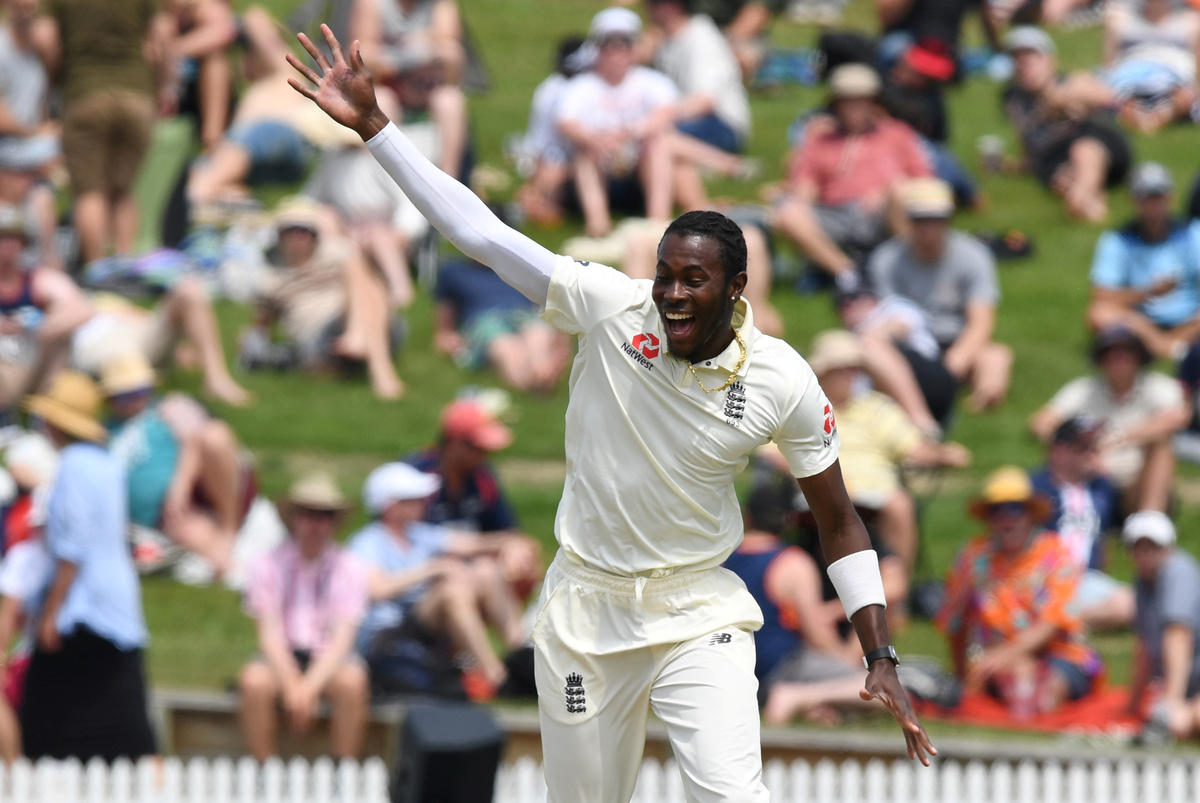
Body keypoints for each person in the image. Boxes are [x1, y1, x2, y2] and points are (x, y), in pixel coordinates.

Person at [287, 26, 933, 801]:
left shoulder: (781, 377)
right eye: (665, 275)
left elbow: (839, 518)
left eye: (694, 280)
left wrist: (879, 652)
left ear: (735, 289)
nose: (672, 294)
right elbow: (480, 233)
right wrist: (376, 128)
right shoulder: (610, 308)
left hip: (697, 609)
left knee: (733, 794)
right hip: (584, 615)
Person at [19, 371, 156, 761]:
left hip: (83, 608)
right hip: (115, 602)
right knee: (126, 720)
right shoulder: (105, 462)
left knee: (43, 715)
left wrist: (51, 611)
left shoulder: (74, 464)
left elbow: (73, 546)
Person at [936, 467, 1104, 719]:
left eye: (1015, 508)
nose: (1007, 518)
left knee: (1045, 696)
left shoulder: (1055, 553)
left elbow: (1053, 622)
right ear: (988, 518)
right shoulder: (973, 557)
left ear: (1030, 514)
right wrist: (961, 675)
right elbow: (954, 621)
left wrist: (1005, 656)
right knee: (1015, 686)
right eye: (997, 510)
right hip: (997, 655)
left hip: (1059, 652)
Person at [349, 462, 525, 695]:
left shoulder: (418, 534)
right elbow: (378, 589)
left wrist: (512, 543)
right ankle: (497, 676)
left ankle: (524, 655)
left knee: (486, 570)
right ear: (391, 507)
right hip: (386, 636)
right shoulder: (367, 542)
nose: (424, 503)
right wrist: (433, 569)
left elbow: (476, 544)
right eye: (413, 499)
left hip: (418, 624)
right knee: (451, 591)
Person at [808, 329, 970, 574]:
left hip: (877, 492)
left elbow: (913, 448)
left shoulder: (876, 407)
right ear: (823, 372)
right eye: (842, 369)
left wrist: (942, 454)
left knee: (900, 505)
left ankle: (897, 585)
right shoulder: (807, 410)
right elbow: (773, 452)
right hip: (819, 488)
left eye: (855, 368)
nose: (850, 375)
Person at [238, 471, 369, 762]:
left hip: (329, 658)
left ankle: (343, 768)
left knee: (353, 683)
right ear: (293, 518)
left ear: (334, 522)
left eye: (324, 516)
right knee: (254, 682)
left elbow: (342, 639)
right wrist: (292, 683)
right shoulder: (266, 563)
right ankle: (264, 767)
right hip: (281, 655)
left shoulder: (350, 567)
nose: (315, 524)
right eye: (308, 514)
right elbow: (268, 635)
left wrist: (307, 688)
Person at [724, 483, 874, 726]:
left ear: (747, 516)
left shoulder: (722, 560)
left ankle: (813, 707)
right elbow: (817, 634)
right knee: (883, 688)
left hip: (733, 672)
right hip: (780, 669)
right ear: (790, 520)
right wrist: (847, 663)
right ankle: (798, 697)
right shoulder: (792, 563)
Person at [773, 64, 931, 289]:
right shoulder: (820, 139)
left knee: (903, 192)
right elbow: (804, 190)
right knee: (788, 212)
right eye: (847, 100)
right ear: (836, 104)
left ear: (874, 102)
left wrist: (886, 192)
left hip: (882, 213)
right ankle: (849, 275)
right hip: (835, 213)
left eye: (861, 100)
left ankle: (912, 269)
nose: (854, 107)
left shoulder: (896, 133)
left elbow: (926, 182)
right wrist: (800, 194)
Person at [867, 178, 1013, 411]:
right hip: (910, 343)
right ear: (908, 219)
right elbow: (888, 315)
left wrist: (956, 361)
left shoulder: (973, 255)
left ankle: (982, 400)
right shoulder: (886, 260)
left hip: (958, 340)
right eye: (920, 219)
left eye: (935, 219)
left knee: (996, 357)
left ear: (948, 219)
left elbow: (982, 321)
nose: (927, 226)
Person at [102, 353, 253, 577]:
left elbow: (198, 440)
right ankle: (222, 554)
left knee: (215, 436)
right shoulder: (105, 430)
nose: (134, 400)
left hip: (185, 495)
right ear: (110, 399)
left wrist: (180, 485)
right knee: (200, 541)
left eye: (140, 392)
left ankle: (229, 528)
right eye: (124, 396)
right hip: (155, 519)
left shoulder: (168, 409)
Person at [40, 0, 166, 265]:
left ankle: (96, 270)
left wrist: (53, 79)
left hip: (84, 92)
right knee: (123, 189)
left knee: (90, 191)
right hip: (137, 94)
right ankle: (125, 267)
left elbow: (45, 38)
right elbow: (164, 35)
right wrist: (164, 84)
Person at [241, 198, 403, 400]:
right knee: (365, 280)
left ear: (316, 234)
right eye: (292, 230)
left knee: (364, 277)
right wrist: (252, 339)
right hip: (318, 337)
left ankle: (360, 339)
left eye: (306, 230)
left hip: (365, 322)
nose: (300, 236)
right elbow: (261, 325)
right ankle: (378, 368)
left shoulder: (335, 252)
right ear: (280, 235)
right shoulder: (271, 277)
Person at [1029, 326, 1189, 513]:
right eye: (1110, 352)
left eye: (1126, 351)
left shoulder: (1158, 386)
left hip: (1137, 479)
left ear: (1139, 356)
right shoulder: (1084, 389)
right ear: (1101, 359)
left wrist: (1113, 440)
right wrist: (1079, 451)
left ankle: (1149, 517)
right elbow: (1041, 423)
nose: (1118, 357)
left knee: (1161, 445)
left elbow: (1176, 418)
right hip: (1090, 478)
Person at [555, 8, 681, 237]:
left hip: (638, 166)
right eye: (609, 45)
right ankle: (598, 223)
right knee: (584, 152)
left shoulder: (652, 81)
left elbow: (667, 113)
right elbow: (566, 122)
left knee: (660, 144)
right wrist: (596, 140)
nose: (617, 53)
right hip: (599, 163)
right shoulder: (581, 85)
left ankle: (658, 222)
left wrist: (629, 133)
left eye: (624, 44)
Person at [404, 398, 542, 598]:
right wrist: (496, 544)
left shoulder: (482, 477)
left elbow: (508, 530)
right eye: (479, 448)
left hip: (475, 567)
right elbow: (406, 539)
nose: (485, 455)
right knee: (472, 578)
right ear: (455, 443)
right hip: (426, 576)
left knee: (523, 562)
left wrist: (516, 551)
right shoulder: (415, 477)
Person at [1001, 26, 1132, 223]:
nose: (1024, 64)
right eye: (1018, 59)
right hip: (1055, 160)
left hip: (1100, 145)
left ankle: (1079, 200)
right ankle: (1091, 204)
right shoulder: (1014, 99)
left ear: (1050, 60)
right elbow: (1029, 144)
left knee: (1083, 150)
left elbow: (1110, 99)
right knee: (1060, 177)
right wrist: (1016, 166)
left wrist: (1061, 98)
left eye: (1031, 58)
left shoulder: (1070, 83)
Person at [69, 274, 252, 407]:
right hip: (98, 347)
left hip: (137, 334)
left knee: (189, 288)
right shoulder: (61, 299)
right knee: (123, 367)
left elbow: (138, 314)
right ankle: (137, 406)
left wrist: (175, 347)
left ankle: (216, 377)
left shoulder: (98, 296)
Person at [1087, 163, 1200, 361]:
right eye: (1147, 197)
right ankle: (1171, 348)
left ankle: (1165, 347)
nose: (1154, 204)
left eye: (1159, 196)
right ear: (1134, 200)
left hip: (1190, 317)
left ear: (1171, 197)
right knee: (1099, 313)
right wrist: (1149, 292)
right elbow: (1102, 296)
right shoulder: (1118, 240)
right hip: (1142, 323)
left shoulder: (1192, 233)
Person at [1029, 416, 1133, 630]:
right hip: (1043, 577)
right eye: (1084, 448)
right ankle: (1055, 619)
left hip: (1085, 579)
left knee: (1129, 604)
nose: (1093, 454)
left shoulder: (1103, 488)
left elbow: (1105, 539)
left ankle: (1054, 622)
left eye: (1095, 448)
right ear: (1060, 450)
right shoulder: (1034, 487)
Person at [0, 206, 93, 410]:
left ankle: (45, 407)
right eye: (3, 239)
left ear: (24, 244)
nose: (8, 246)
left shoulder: (37, 280)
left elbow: (83, 309)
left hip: (30, 358)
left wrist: (44, 329)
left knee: (62, 335)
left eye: (14, 239)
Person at [434, 258, 572, 394]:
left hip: (523, 313)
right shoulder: (453, 271)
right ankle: (540, 381)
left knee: (537, 336)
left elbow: (539, 303)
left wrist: (559, 335)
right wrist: (448, 340)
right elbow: (444, 328)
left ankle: (538, 378)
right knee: (505, 348)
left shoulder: (518, 267)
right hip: (484, 320)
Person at [835, 286, 956, 434]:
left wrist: (868, 338)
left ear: (872, 299)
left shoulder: (893, 308)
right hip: (885, 397)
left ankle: (923, 424)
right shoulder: (852, 338)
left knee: (872, 344)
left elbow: (898, 327)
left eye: (854, 299)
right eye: (841, 304)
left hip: (930, 377)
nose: (848, 308)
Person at [1124, 510, 1200, 741]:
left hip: (1189, 687)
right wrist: (1132, 704)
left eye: (1152, 547)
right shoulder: (1142, 582)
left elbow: (1178, 637)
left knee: (1183, 722)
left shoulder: (1179, 574)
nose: (1145, 554)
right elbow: (1144, 646)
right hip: (1191, 689)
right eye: (1139, 547)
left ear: (1167, 548)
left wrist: (1170, 704)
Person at [1097, 0, 1200, 134]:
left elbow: (1197, 67)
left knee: (1184, 96)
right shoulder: (1120, 19)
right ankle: (1158, 116)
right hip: (1129, 76)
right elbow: (1109, 64)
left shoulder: (1190, 21)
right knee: (1093, 88)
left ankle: (1142, 116)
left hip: (1172, 78)